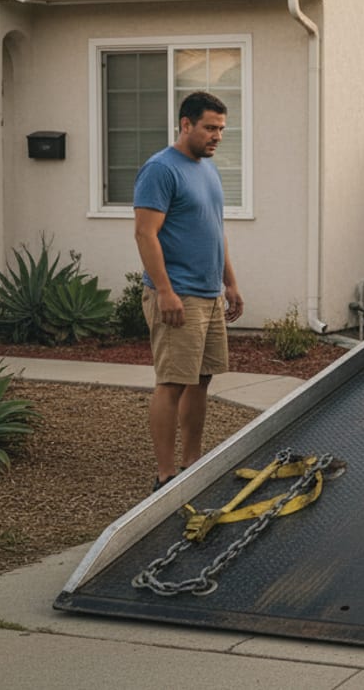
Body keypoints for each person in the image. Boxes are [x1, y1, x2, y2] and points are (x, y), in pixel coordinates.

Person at [134, 91, 244, 492]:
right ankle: (164, 476)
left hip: (209, 293)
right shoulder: (161, 170)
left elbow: (215, 229)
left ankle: (191, 462)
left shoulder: (207, 168)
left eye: (221, 129)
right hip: (178, 295)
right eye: (210, 128)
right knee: (172, 382)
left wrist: (230, 282)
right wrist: (164, 291)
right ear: (185, 124)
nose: (217, 136)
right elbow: (145, 234)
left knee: (202, 379)